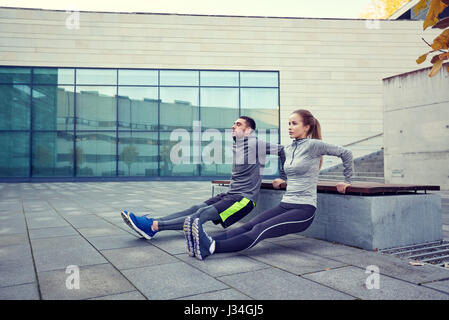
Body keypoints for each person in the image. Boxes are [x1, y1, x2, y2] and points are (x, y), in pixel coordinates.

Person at [186, 109, 354, 260]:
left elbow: (346, 153)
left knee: (260, 229)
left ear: (307, 127)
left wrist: (347, 180)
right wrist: (283, 178)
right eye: (289, 123)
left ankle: (212, 247)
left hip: (304, 209)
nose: (290, 127)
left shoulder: (314, 146)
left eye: (294, 123)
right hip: (285, 205)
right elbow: (285, 159)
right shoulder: (289, 148)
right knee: (250, 225)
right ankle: (205, 241)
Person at [121, 116, 287, 258]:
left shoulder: (255, 143)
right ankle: (151, 222)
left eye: (238, 124)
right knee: (196, 207)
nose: (233, 126)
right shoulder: (239, 145)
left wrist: (283, 177)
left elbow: (283, 150)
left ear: (249, 130)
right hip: (230, 194)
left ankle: (153, 226)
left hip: (243, 199)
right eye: (233, 124)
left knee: (203, 213)